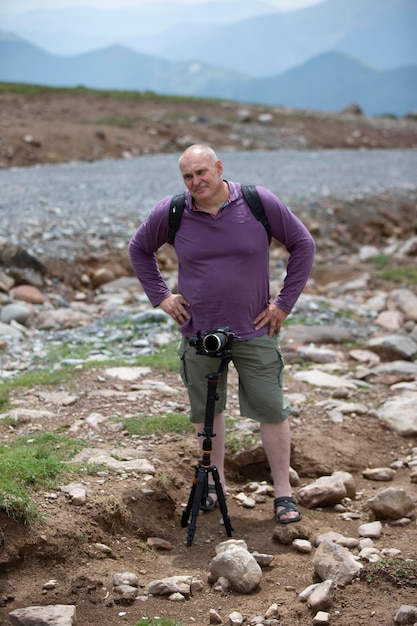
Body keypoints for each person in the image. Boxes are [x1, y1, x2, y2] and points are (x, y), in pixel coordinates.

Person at [128, 144, 315, 524]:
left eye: (202, 172)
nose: (196, 181)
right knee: (207, 414)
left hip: (255, 329)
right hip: (199, 332)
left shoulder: (257, 201)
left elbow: (303, 245)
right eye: (187, 176)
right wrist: (161, 297)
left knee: (272, 409)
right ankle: (215, 488)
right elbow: (139, 249)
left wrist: (282, 304)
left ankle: (283, 493)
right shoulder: (174, 211)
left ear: (218, 167)